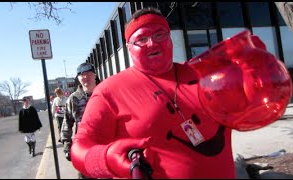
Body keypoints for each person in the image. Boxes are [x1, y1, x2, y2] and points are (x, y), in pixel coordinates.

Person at [70, 7, 291, 179]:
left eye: (159, 34)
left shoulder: (206, 74)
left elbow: (252, 106)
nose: (151, 43)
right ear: (129, 47)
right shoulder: (109, 91)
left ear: (169, 37)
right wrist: (106, 159)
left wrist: (256, 69)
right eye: (141, 39)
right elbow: (79, 149)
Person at [61, 62, 100, 178]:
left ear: (95, 75)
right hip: (84, 147)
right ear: (78, 78)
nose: (85, 77)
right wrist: (67, 146)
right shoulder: (74, 99)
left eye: (88, 73)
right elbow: (67, 123)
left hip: (106, 144)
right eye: (82, 75)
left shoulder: (105, 92)